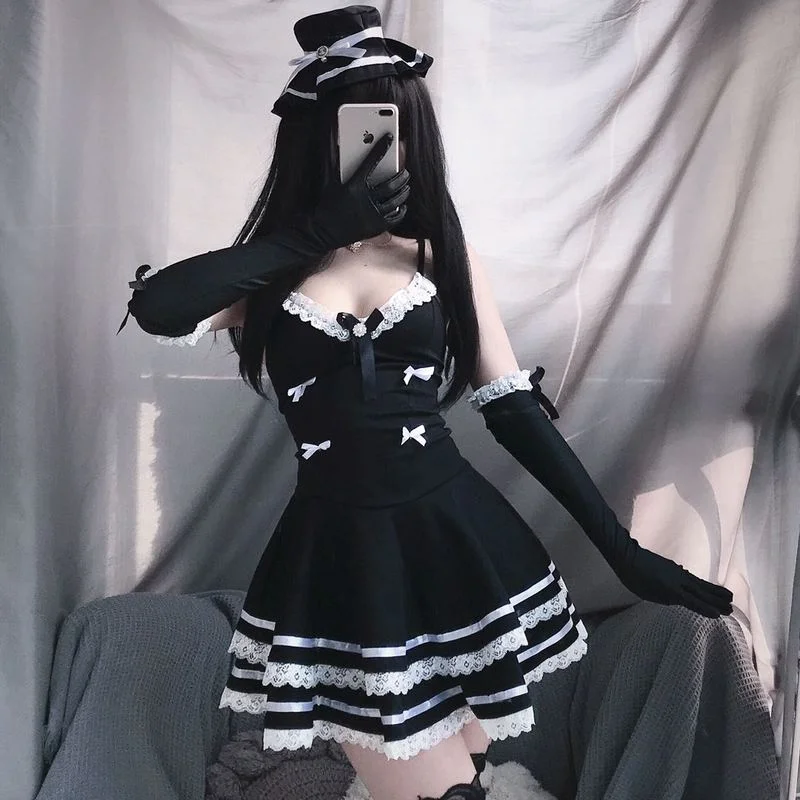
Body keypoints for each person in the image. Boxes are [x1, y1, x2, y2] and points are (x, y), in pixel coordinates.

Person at [118, 7, 734, 800]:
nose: (383, 147)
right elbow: (160, 306)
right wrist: (312, 235)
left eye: (394, 127)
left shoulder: (439, 255)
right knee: (433, 783)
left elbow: (511, 408)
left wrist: (622, 550)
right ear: (313, 136)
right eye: (357, 128)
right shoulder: (266, 274)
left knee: (460, 763)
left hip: (454, 539)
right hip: (343, 556)